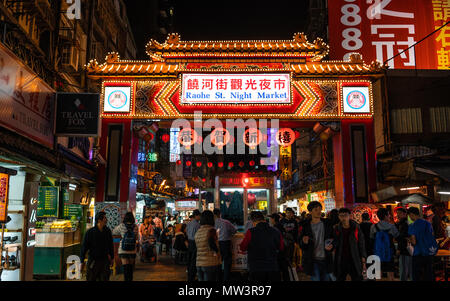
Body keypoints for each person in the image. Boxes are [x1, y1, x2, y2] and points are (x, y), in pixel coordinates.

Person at [240, 211, 284, 281]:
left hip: (256, 268)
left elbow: (243, 247)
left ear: (253, 221)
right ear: (264, 219)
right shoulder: (276, 231)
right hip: (272, 267)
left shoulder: (250, 232)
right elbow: (281, 247)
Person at [298, 201, 334, 281]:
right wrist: (304, 242)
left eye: (319, 209)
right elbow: (301, 244)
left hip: (326, 258)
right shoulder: (305, 226)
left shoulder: (327, 224)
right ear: (310, 212)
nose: (318, 212)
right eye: (316, 210)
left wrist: (332, 246)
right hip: (312, 260)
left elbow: (333, 239)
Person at [333, 208, 366, 281]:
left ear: (349, 216)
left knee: (357, 277)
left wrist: (363, 256)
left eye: (345, 215)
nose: (343, 218)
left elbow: (361, 243)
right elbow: (334, 243)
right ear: (338, 217)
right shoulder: (336, 229)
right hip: (341, 259)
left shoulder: (356, 228)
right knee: (340, 278)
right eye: (341, 216)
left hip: (354, 258)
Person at [80, 211, 114, 281]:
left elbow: (110, 245)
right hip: (93, 260)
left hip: (104, 261)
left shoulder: (108, 231)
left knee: (104, 278)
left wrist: (112, 258)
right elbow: (84, 247)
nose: (106, 220)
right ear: (99, 220)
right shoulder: (90, 232)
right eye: (105, 218)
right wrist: (82, 261)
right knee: (91, 278)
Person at [408, 207, 438, 281]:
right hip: (428, 252)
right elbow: (432, 235)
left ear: (411, 214)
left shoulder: (412, 225)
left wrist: (409, 240)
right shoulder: (428, 223)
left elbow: (414, 242)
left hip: (418, 253)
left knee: (417, 275)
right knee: (428, 274)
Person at [370, 208, 399, 281]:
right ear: (386, 216)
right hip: (389, 252)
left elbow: (371, 238)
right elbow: (397, 236)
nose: (389, 216)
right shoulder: (392, 227)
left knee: (378, 273)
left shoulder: (373, 227)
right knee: (390, 272)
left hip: (377, 253)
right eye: (388, 214)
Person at [195, 210, 221, 281]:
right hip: (210, 263)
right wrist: (217, 251)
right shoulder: (211, 230)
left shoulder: (198, 231)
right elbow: (212, 244)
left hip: (199, 263)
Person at [113, 212, 139, 281]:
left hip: (123, 250)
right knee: (130, 269)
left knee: (125, 269)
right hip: (132, 250)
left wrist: (121, 236)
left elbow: (114, 232)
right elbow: (136, 238)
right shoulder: (135, 227)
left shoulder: (122, 226)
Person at [213, 208, 237, 281]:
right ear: (220, 214)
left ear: (213, 215)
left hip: (216, 244)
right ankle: (226, 278)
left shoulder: (212, 223)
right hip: (226, 243)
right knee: (227, 262)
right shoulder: (226, 222)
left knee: (217, 261)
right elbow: (234, 231)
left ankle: (218, 278)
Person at [269, 213, 290, 281]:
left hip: (280, 249)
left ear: (274, 219)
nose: (270, 220)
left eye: (271, 218)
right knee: (284, 267)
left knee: (279, 267)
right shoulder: (280, 225)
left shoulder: (275, 227)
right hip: (284, 248)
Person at [186, 209, 201, 281]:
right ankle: (192, 276)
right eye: (199, 216)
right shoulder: (198, 225)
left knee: (189, 259)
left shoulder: (189, 223)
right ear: (196, 216)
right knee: (194, 260)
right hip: (195, 243)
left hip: (190, 242)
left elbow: (186, 232)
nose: (200, 217)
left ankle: (189, 275)